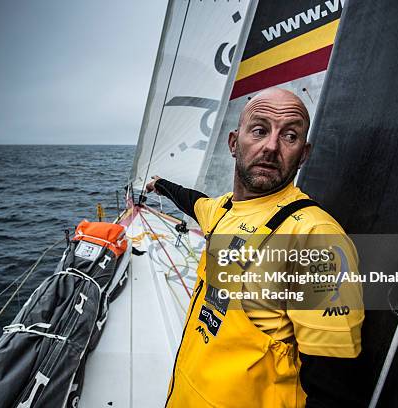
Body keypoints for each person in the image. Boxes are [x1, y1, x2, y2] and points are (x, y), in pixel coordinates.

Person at [145, 88, 365, 408]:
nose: (272, 146)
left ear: (303, 155)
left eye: (289, 136)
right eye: (260, 130)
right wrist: (159, 185)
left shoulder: (314, 237)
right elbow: (195, 202)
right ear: (234, 143)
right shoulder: (222, 211)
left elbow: (335, 388)